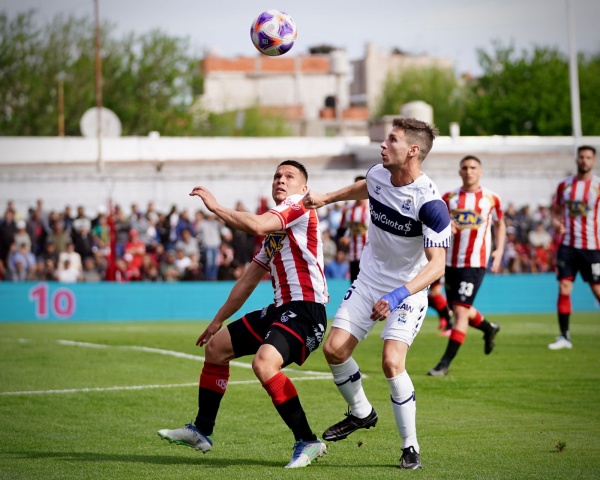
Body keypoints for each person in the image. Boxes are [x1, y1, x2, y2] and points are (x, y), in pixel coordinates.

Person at [157, 160, 329, 469]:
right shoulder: (275, 231)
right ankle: (202, 431)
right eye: (277, 175)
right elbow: (249, 279)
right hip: (282, 309)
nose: (280, 179)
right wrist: (217, 320)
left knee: (263, 363)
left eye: (289, 176)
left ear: (303, 188)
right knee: (216, 348)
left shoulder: (300, 204)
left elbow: (256, 224)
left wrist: (216, 208)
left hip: (306, 309)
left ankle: (308, 440)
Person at [303, 118, 451, 470]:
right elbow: (364, 187)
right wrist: (325, 198)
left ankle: (410, 446)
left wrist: (399, 294)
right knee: (334, 349)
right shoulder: (377, 174)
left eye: (392, 140)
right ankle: (361, 413)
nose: (383, 145)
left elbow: (437, 266)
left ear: (413, 151)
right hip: (369, 280)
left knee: (391, 361)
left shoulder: (432, 204)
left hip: (408, 290)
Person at [427, 155, 505, 376]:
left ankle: (444, 363)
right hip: (450, 262)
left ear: (480, 171)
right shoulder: (448, 198)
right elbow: (434, 223)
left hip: (475, 263)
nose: (469, 171)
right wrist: (445, 226)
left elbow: (500, 224)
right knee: (460, 308)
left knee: (460, 311)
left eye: (473, 167)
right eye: (465, 168)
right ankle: (489, 328)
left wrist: (498, 251)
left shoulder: (491, 198)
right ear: (459, 171)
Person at [548, 145, 600, 350]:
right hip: (568, 245)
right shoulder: (565, 185)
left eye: (588, 157)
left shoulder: (597, 185)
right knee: (564, 287)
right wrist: (555, 221)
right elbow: (555, 210)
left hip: (592, 246)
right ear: (576, 159)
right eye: (581, 157)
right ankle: (564, 337)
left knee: (597, 289)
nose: (584, 160)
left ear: (593, 161)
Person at [336, 176, 369, 282]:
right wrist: (342, 241)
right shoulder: (347, 209)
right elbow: (340, 231)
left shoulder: (373, 207)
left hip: (370, 256)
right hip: (353, 255)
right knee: (355, 286)